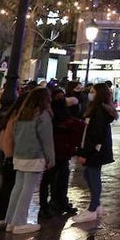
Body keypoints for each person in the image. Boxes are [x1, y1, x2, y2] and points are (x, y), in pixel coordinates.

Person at [3, 87, 54, 235]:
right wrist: (50, 158)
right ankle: (20, 222)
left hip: (20, 155)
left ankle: (10, 221)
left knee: (18, 187)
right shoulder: (42, 115)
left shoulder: (21, 115)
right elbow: (47, 140)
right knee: (28, 189)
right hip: (35, 155)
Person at [71, 83, 117, 224]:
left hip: (95, 150)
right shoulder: (100, 109)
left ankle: (92, 209)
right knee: (89, 174)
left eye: (92, 91)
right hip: (97, 149)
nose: (89, 93)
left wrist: (85, 153)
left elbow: (94, 134)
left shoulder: (98, 111)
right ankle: (96, 205)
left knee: (93, 175)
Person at [40, 90, 83, 218]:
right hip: (60, 151)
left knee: (51, 178)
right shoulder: (57, 115)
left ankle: (51, 203)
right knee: (57, 178)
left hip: (57, 151)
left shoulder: (50, 114)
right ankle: (56, 202)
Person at [0, 89, 26, 232]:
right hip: (14, 158)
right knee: (13, 188)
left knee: (7, 187)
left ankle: (0, 218)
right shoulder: (18, 118)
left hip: (9, 158)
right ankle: (7, 219)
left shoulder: (9, 116)